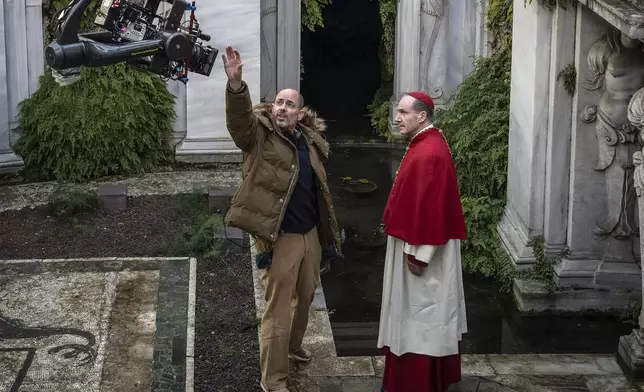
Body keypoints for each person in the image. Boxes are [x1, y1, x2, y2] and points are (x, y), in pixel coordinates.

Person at [221, 46, 342, 392]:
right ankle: (273, 379)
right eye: (278, 102)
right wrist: (235, 86)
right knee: (277, 310)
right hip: (282, 236)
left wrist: (327, 232)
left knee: (305, 297)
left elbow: (321, 189)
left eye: (290, 104)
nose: (283, 108)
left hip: (310, 237)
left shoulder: (310, 140)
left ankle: (293, 346)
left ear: (301, 112)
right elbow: (239, 123)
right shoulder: (259, 136)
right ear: (272, 108)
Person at [377, 91, 468, 392]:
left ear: (422, 116)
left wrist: (420, 255)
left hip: (423, 252)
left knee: (420, 316)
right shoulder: (426, 143)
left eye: (403, 112)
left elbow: (434, 208)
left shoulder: (429, 152)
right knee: (418, 316)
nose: (397, 117)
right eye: (398, 112)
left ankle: (416, 383)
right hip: (416, 244)